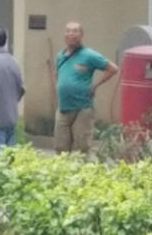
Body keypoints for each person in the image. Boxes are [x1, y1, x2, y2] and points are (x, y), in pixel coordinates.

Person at [51, 22, 119, 154]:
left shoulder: (89, 55)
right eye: (68, 31)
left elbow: (113, 69)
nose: (71, 34)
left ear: (81, 35)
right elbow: (58, 75)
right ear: (64, 35)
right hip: (63, 108)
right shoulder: (61, 56)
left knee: (83, 146)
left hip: (82, 108)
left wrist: (95, 85)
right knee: (60, 147)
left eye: (75, 31)